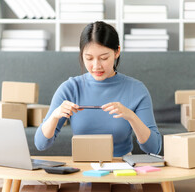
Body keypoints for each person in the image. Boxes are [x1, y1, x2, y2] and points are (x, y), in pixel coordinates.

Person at [35, 21, 161, 157]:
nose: (96, 66)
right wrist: (55, 115)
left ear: (117, 52)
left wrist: (131, 116)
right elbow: (41, 144)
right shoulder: (70, 88)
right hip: (83, 169)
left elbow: (154, 148)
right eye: (89, 58)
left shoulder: (136, 89)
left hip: (121, 171)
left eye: (104, 58)